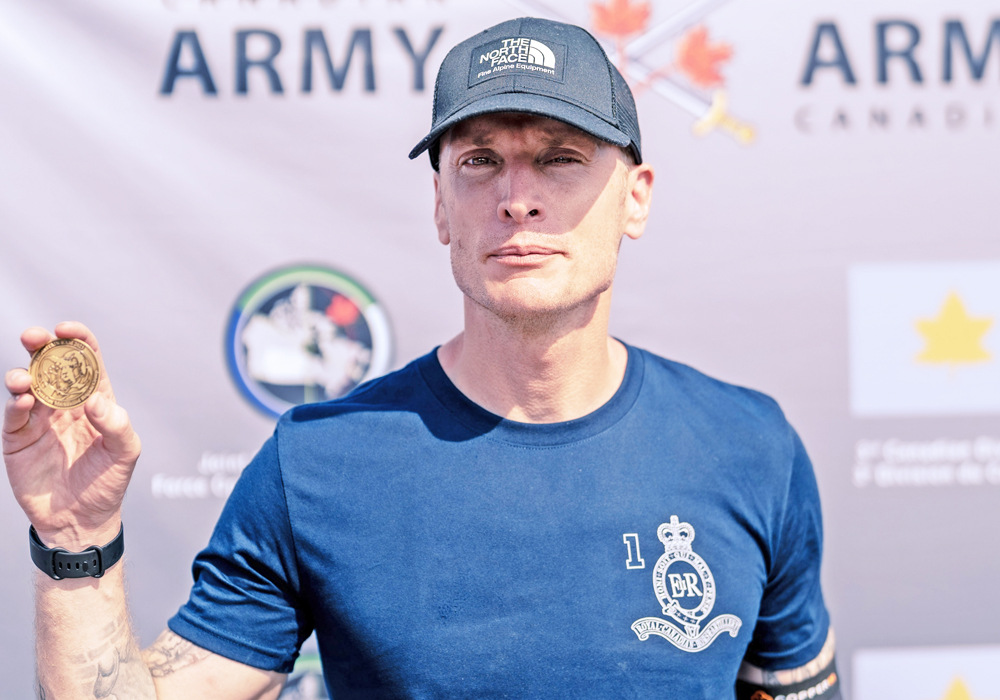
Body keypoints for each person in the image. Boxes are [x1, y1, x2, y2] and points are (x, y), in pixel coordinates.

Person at [3, 17, 841, 700]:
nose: (518, 196)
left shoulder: (749, 445)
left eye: (560, 156)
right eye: (479, 161)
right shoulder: (319, 460)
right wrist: (77, 540)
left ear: (637, 197)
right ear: (440, 205)